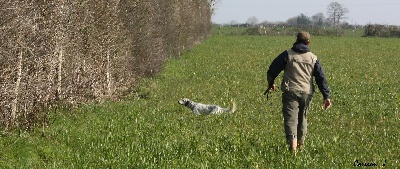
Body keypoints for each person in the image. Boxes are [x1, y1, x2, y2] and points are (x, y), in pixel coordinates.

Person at [266, 31, 331, 155]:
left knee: (291, 119)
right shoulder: (313, 58)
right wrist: (326, 96)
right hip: (307, 93)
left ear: (296, 40)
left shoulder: (287, 54)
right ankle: (300, 146)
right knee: (302, 119)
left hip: (290, 91)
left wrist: (270, 83)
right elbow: (321, 78)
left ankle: (293, 148)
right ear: (308, 42)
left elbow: (272, 69)